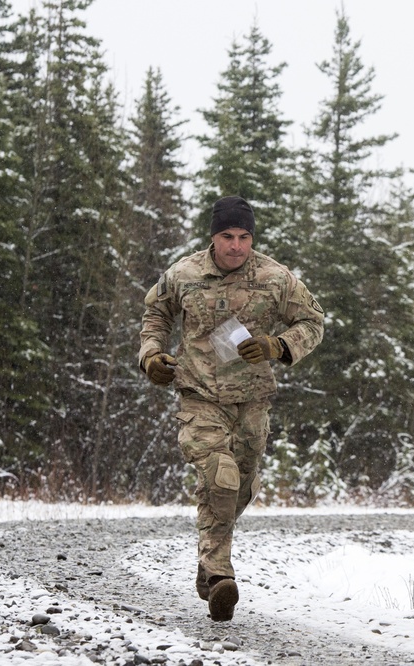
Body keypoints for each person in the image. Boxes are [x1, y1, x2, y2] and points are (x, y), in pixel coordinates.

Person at [138, 195, 324, 621]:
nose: (236, 246)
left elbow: (313, 322)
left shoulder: (276, 278)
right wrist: (151, 355)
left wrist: (279, 345)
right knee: (219, 477)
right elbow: (156, 315)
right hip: (199, 395)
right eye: (227, 236)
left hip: (252, 400)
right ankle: (221, 574)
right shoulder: (183, 274)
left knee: (240, 487)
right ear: (213, 237)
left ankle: (207, 564)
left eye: (243, 237)